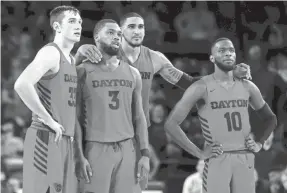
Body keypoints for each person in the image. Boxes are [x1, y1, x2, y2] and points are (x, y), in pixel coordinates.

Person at [74, 12, 251, 191]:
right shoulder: (105, 54)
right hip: (101, 135)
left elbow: (189, 83)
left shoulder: (154, 58)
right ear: (121, 31)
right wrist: (81, 51)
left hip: (136, 134)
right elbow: (75, 74)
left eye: (141, 27)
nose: (137, 31)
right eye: (131, 27)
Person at [164, 37, 277, 193]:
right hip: (217, 159)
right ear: (212, 58)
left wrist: (259, 142)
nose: (228, 54)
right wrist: (199, 153)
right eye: (222, 51)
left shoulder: (248, 86)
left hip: (244, 159)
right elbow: (171, 124)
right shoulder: (201, 87)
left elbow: (271, 119)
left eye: (231, 50)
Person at [74, 19, 149, 193]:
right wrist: (78, 154)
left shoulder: (133, 73)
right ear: (96, 37)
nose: (116, 37)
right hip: (95, 148)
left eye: (118, 34)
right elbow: (75, 118)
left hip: (127, 148)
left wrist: (145, 154)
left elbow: (139, 116)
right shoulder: (82, 71)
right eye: (110, 32)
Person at [14, 5, 82, 193]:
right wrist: (48, 119)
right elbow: (22, 84)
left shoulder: (73, 60)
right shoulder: (51, 53)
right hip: (45, 137)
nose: (78, 25)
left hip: (65, 140)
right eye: (72, 21)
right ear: (57, 27)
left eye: (80, 22)